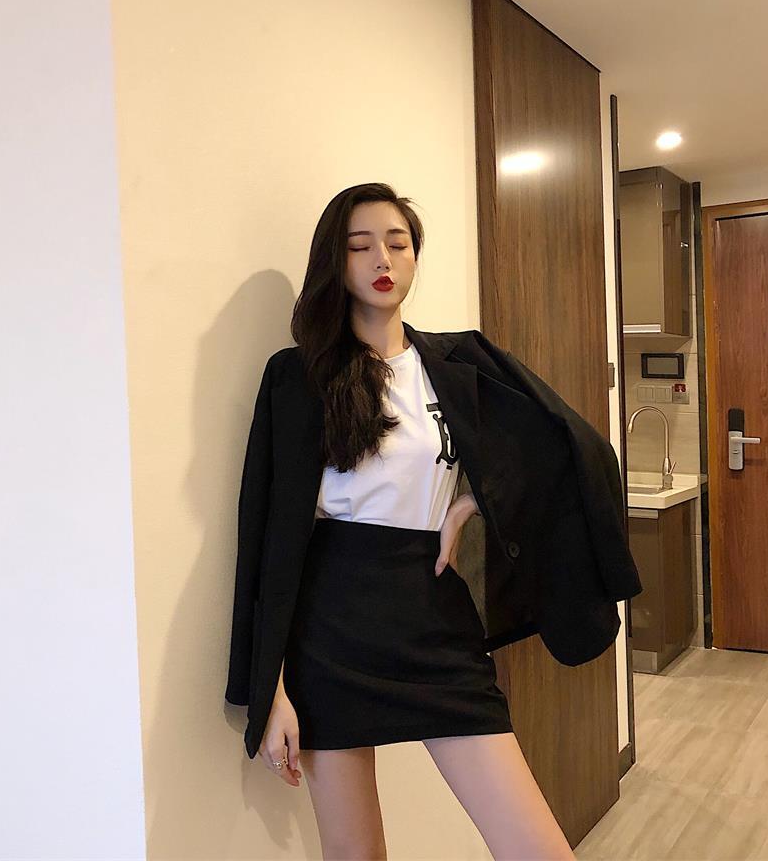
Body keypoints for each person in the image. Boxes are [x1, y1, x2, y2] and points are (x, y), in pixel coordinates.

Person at [234, 182, 577, 860]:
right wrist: (270, 688)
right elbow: (268, 537)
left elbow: (562, 448)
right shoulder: (298, 376)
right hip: (330, 627)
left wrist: (474, 503)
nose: (382, 259)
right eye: (359, 246)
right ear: (335, 262)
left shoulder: (457, 365)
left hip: (434, 612)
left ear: (415, 256)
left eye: (397, 243)